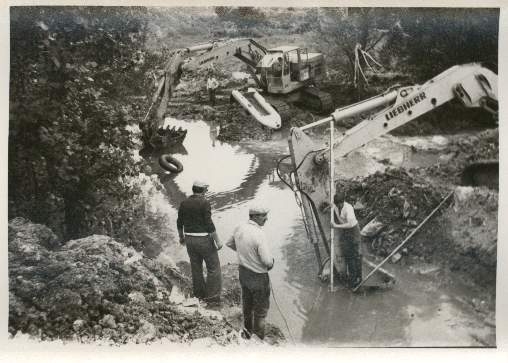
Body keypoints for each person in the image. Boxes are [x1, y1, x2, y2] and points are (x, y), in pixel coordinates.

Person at [226, 205, 274, 340]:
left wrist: (244, 254)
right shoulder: (259, 234)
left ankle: (247, 333)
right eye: (264, 215)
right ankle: (258, 340)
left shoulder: (239, 227)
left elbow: (229, 243)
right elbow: (267, 262)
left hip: (243, 273)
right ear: (255, 217)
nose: (266, 219)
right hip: (258, 277)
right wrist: (270, 262)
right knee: (260, 311)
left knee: (247, 305)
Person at [177, 180, 222, 305]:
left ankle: (199, 295)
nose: (206, 192)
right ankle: (212, 299)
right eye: (206, 190)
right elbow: (208, 223)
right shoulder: (205, 203)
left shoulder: (184, 202)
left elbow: (179, 222)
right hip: (203, 239)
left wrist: (181, 238)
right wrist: (217, 241)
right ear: (203, 191)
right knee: (213, 268)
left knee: (196, 267)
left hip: (189, 239)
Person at [331, 191, 362, 288]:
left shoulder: (348, 209)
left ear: (343, 202)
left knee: (354, 256)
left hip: (353, 231)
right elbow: (334, 209)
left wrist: (336, 225)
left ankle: (356, 279)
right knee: (347, 254)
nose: (339, 206)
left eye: (340, 204)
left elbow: (350, 224)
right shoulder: (336, 206)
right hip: (345, 231)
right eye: (337, 205)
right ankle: (351, 276)